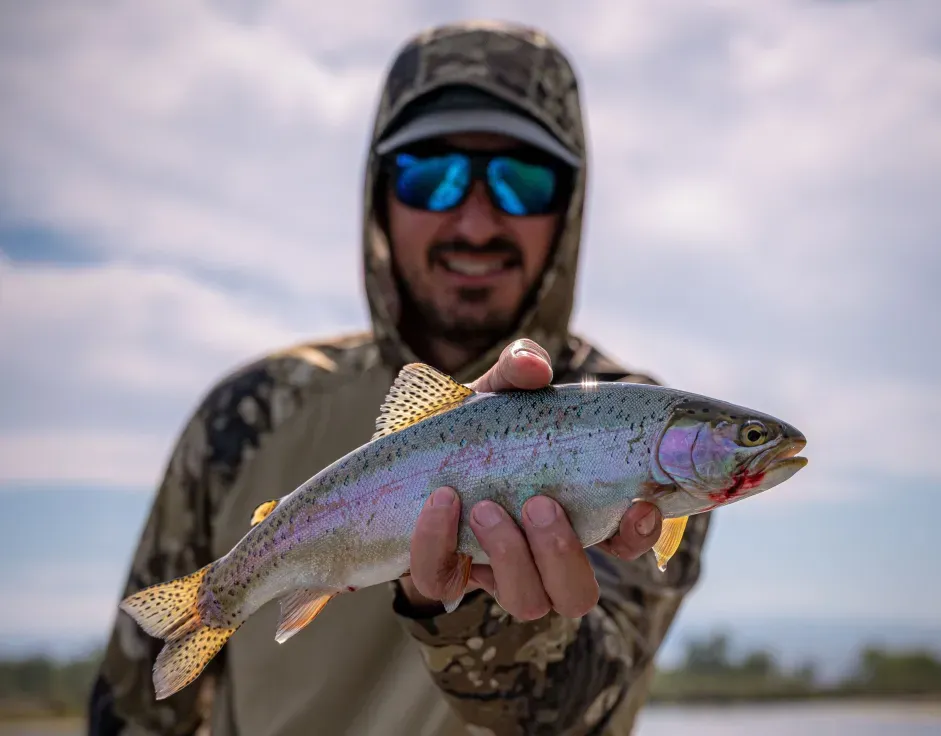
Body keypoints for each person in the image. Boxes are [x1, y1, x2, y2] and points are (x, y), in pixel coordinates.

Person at [87, 20, 712, 736]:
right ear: (380, 195)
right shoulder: (246, 417)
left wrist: (470, 603)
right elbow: (132, 714)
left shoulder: (643, 435)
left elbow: (578, 711)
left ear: (568, 207)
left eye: (523, 180)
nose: (475, 222)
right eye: (430, 175)